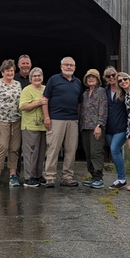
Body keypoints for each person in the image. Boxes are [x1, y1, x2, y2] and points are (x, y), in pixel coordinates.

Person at [42, 57, 83, 188]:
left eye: (71, 65)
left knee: (71, 150)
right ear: (61, 67)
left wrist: (77, 117)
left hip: (72, 120)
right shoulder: (54, 80)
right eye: (66, 65)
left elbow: (79, 103)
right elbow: (45, 99)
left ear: (75, 68)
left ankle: (67, 177)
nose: (69, 67)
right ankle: (50, 177)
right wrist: (47, 117)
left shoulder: (78, 82)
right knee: (54, 148)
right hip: (56, 119)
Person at [0, 59, 22, 187]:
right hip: (2, 120)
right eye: (7, 71)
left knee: (14, 148)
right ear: (2, 72)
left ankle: (13, 175)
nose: (10, 73)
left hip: (16, 120)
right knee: (2, 147)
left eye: (12, 71)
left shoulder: (18, 84)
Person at [19, 67, 48, 187]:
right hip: (30, 126)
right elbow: (22, 107)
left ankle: (38, 175)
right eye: (35, 76)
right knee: (31, 152)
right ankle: (28, 177)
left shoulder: (46, 89)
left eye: (39, 76)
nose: (37, 78)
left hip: (43, 126)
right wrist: (38, 103)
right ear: (31, 78)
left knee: (41, 152)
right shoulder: (26, 90)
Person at [80, 69, 108, 189]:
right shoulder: (85, 93)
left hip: (96, 127)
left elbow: (103, 109)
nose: (91, 79)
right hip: (85, 127)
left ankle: (98, 178)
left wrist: (99, 125)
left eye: (93, 77)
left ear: (97, 80)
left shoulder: (101, 92)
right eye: (89, 77)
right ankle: (93, 176)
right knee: (88, 152)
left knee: (96, 152)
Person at [103, 67, 128, 189]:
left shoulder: (123, 90)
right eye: (108, 76)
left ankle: (121, 178)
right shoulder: (104, 92)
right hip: (109, 128)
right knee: (115, 152)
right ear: (105, 79)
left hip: (121, 127)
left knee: (114, 149)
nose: (111, 78)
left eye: (113, 75)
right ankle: (120, 178)